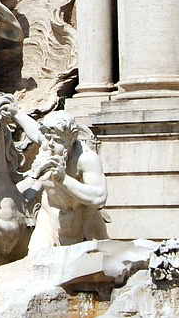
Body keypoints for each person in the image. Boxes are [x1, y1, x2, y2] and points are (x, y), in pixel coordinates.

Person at [13, 108, 108, 255]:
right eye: (48, 138)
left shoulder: (86, 159)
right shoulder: (48, 145)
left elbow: (99, 197)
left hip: (85, 225)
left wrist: (63, 179)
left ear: (71, 139)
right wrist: (14, 111)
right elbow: (31, 128)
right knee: (36, 261)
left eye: (57, 140)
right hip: (49, 220)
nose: (49, 144)